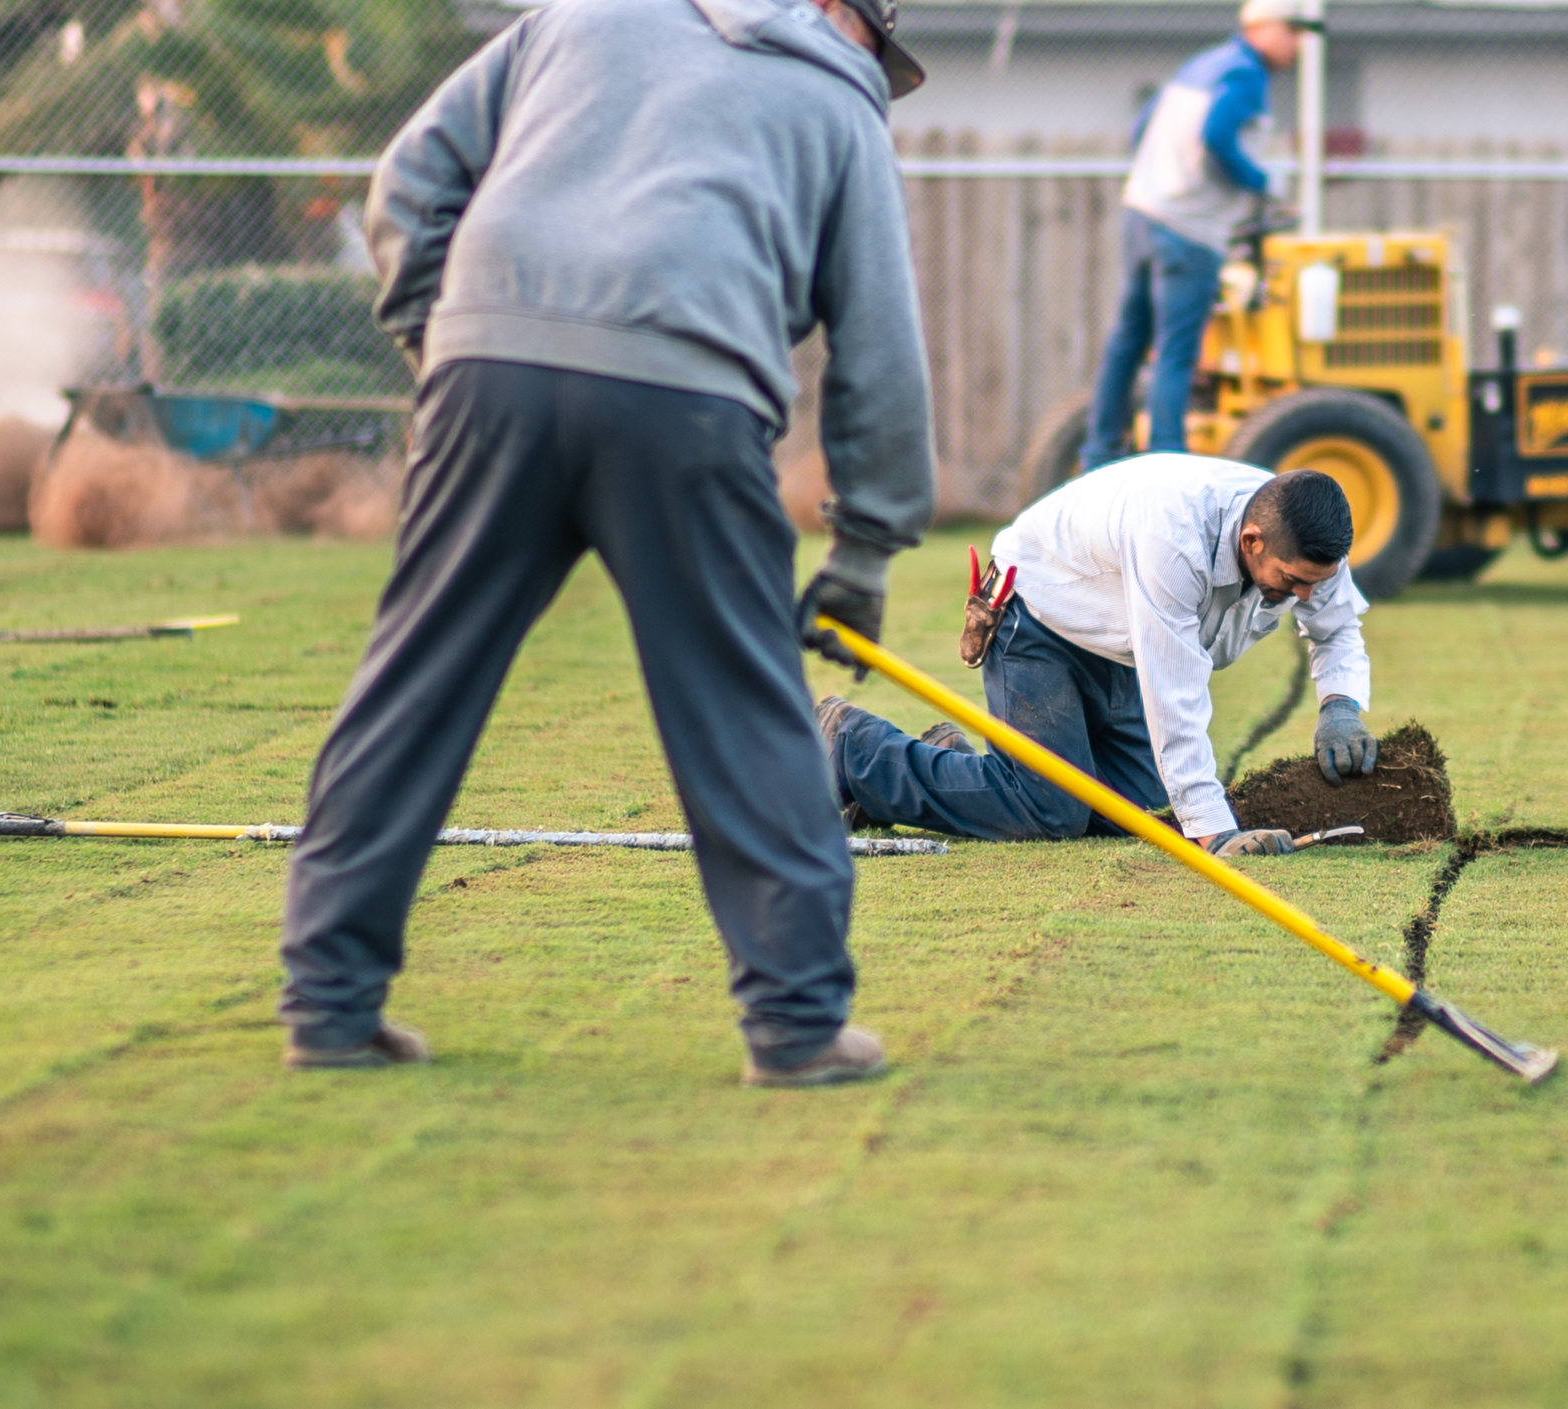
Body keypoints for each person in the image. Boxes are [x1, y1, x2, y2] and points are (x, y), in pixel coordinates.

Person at [276, 0, 935, 1088]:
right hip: (689, 394)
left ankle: (331, 1003)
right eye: (880, 39)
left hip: (491, 368)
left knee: (415, 682)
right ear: (833, 9)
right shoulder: (839, 98)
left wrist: (439, 342)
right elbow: (880, 343)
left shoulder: (578, 19)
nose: (874, 61)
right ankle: (798, 1024)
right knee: (741, 703)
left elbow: (404, 185)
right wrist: (866, 548)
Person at [821, 459, 1381, 852]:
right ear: (1252, 541)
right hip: (1036, 614)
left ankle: (953, 760)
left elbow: (1337, 628)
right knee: (1052, 810)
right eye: (1292, 582)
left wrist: (1341, 706)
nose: (1306, 595)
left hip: (1116, 640)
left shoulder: (1307, 534)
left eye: (1315, 582)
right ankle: (855, 747)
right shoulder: (1176, 538)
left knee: (1141, 816)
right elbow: (1174, 693)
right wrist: (1214, 835)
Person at [1080, 0, 1307, 471]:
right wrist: (1265, 183)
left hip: (1143, 211)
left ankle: (1100, 452)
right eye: (1293, 29)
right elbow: (1218, 135)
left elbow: (1142, 126)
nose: (1299, 42)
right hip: (1189, 228)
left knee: (1128, 340)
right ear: (1261, 27)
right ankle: (1166, 460)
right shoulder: (1246, 74)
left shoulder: (1202, 64)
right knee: (1177, 351)